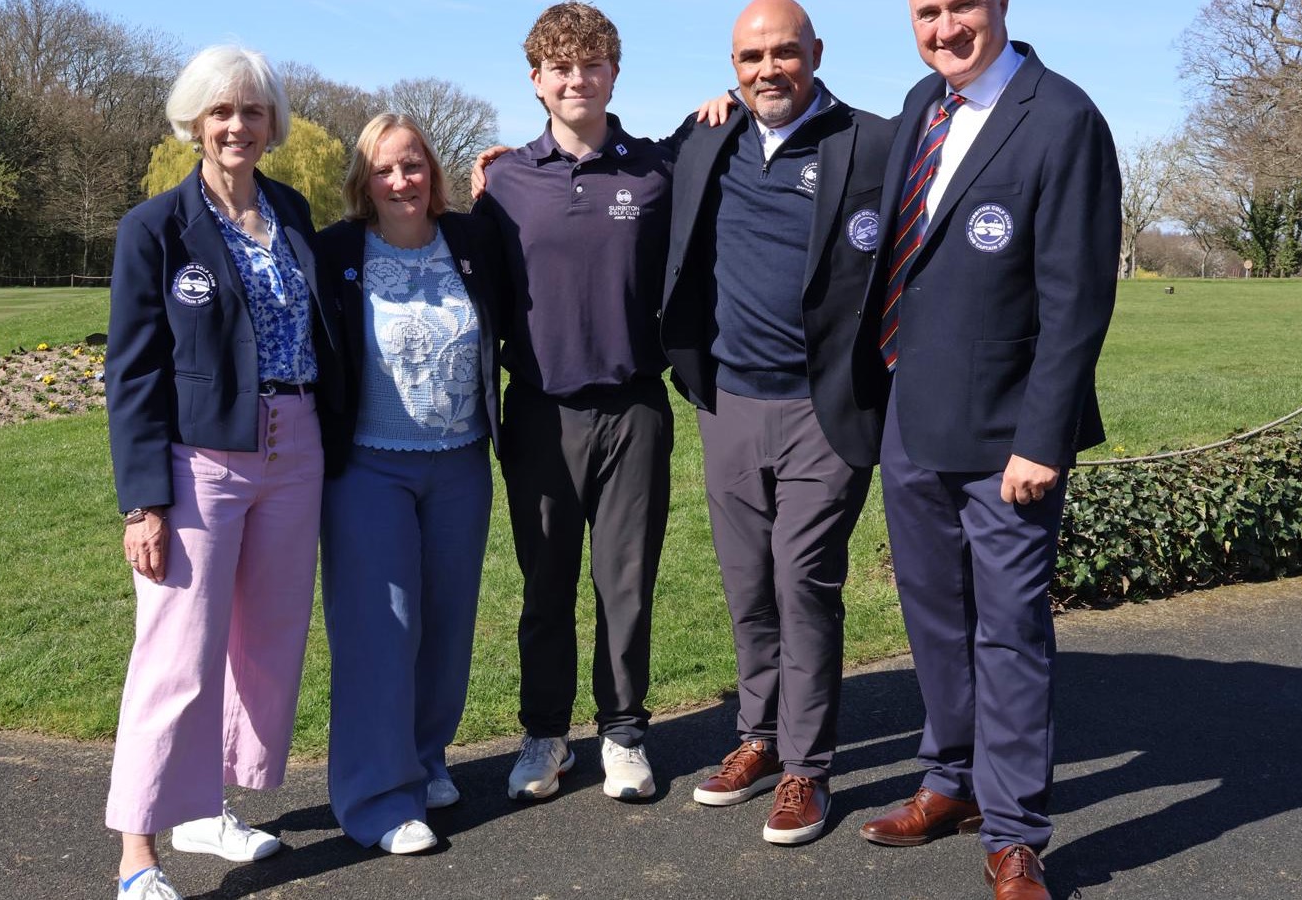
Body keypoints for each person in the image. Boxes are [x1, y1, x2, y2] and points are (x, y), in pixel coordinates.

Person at [857, 0, 1120, 896]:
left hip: (1010, 439)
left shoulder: (1063, 117)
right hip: (913, 421)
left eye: (958, 6)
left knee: (1008, 635)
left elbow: (1077, 298)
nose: (942, 27)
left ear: (1000, 7)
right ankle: (950, 781)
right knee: (934, 622)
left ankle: (1013, 835)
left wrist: (1043, 438)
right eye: (924, 11)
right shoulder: (920, 106)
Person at [103, 45, 348, 900]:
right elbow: (130, 373)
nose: (236, 125)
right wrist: (144, 502)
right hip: (200, 462)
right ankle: (139, 854)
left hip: (298, 447)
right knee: (176, 656)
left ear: (271, 123)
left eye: (250, 111)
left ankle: (207, 807)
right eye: (220, 112)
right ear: (194, 124)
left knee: (267, 646)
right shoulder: (155, 228)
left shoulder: (292, 209)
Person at [660, 0, 897, 846]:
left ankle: (807, 769)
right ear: (732, 65)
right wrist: (504, 165)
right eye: (751, 56)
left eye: (784, 53)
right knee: (747, 585)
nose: (768, 70)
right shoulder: (705, 139)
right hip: (726, 401)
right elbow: (609, 165)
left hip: (823, 409)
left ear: (815, 54)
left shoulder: (873, 140)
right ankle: (755, 739)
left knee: (803, 581)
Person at [472, 2, 675, 804]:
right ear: (536, 82)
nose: (576, 79)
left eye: (591, 65)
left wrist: (723, 107)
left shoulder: (657, 170)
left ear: (613, 74)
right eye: (560, 67)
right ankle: (545, 734)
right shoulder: (506, 182)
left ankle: (623, 733)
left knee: (625, 582)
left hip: (633, 408)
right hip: (540, 413)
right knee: (546, 582)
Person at [314, 113, 506, 855]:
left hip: (461, 463)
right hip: (369, 467)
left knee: (447, 627)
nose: (401, 181)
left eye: (414, 165)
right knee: (379, 631)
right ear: (364, 181)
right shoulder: (335, 252)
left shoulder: (469, 241)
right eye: (385, 169)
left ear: (434, 172)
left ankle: (425, 761)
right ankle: (376, 800)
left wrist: (507, 161)